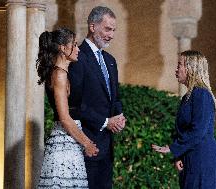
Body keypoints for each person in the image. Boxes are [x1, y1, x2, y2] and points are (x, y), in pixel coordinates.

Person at [68, 6, 126, 189]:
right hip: (86, 143)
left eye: (114, 30)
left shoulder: (110, 60)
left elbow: (115, 97)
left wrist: (119, 117)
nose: (111, 35)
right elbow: (75, 104)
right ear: (92, 27)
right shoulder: (77, 57)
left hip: (107, 147)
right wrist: (104, 121)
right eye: (108, 29)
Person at [36, 27, 99, 188]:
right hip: (63, 147)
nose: (78, 49)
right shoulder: (59, 75)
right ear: (63, 48)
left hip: (70, 143)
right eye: (75, 45)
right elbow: (64, 117)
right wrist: (87, 143)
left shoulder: (62, 73)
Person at [152, 50, 216, 189]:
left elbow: (198, 131)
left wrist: (172, 148)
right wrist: (180, 155)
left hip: (202, 158)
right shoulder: (188, 97)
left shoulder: (201, 94)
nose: (176, 69)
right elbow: (185, 131)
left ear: (191, 68)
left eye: (180, 65)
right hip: (191, 156)